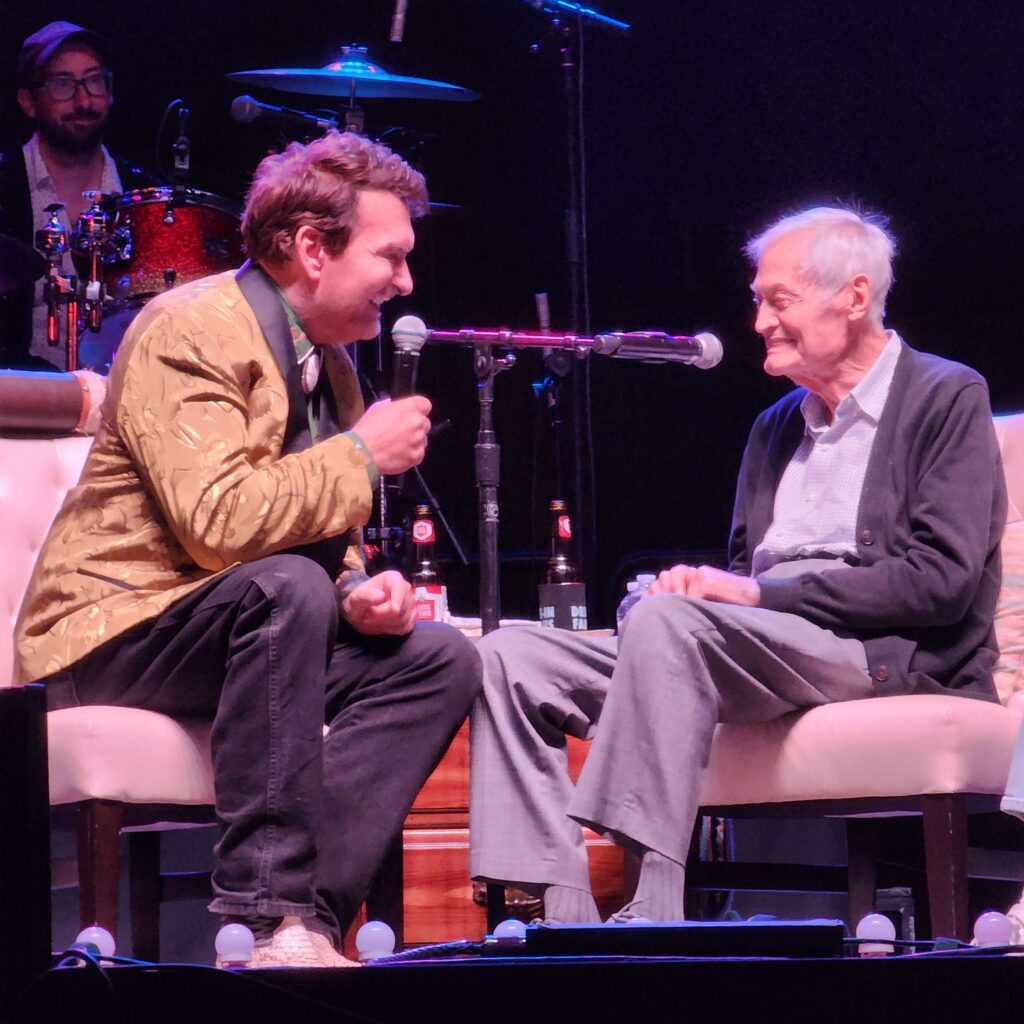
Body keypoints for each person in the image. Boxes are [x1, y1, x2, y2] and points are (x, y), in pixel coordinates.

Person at [14, 129, 482, 966]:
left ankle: (309, 914)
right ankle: (264, 917)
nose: (407, 283)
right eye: (391, 256)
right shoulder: (188, 328)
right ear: (311, 247)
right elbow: (218, 523)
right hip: (112, 632)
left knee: (436, 657)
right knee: (280, 593)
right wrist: (363, 455)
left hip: (241, 620)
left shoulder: (330, 363)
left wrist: (356, 593)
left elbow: (311, 542)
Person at [469, 206, 1006, 925]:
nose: (758, 321)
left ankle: (650, 906)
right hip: (753, 647)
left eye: (777, 300)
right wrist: (699, 593)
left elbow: (941, 583)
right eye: (758, 300)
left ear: (852, 297)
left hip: (878, 653)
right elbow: (738, 582)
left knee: (673, 626)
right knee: (512, 655)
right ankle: (558, 919)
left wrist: (750, 596)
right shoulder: (775, 425)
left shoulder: (945, 396)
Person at [0, 20, 152, 369]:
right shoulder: (5, 186)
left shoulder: (143, 196)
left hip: (124, 404)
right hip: (16, 405)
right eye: (63, 85)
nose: (83, 100)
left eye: (94, 80)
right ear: (28, 101)